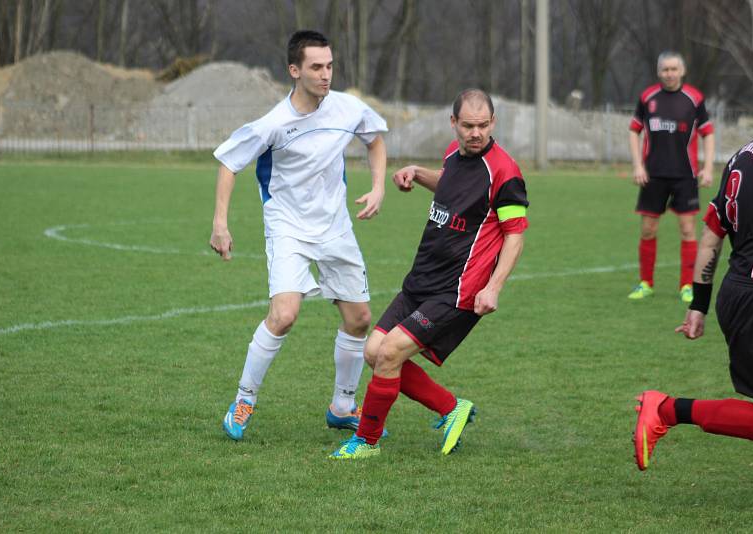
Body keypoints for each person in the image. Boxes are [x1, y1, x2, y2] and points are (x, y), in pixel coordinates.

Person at [329, 89, 529, 459]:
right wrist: (417, 173)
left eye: (483, 125)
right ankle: (452, 408)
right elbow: (451, 183)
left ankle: (366, 442)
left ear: (493, 123)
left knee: (389, 353)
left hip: (457, 291)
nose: (475, 133)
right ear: (453, 123)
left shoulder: (505, 172)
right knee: (374, 352)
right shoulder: (454, 155)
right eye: (468, 125)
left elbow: (514, 236)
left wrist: (494, 288)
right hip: (422, 279)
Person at [209, 30, 388, 441]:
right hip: (288, 226)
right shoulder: (274, 123)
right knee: (284, 314)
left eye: (329, 66)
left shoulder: (346, 108)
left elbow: (375, 141)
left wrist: (378, 187)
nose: (326, 75)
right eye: (316, 67)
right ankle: (243, 400)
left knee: (359, 319)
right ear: (295, 70)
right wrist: (221, 223)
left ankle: (342, 407)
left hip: (335, 226)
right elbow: (228, 163)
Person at [633, 138, 753, 471]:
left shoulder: (741, 157)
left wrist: (699, 304)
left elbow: (712, 236)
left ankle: (667, 410)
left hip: (735, 295)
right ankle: (666, 410)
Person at [628, 51, 715, 303]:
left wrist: (708, 168)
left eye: (674, 69)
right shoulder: (647, 97)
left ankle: (687, 285)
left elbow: (708, 133)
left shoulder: (694, 99)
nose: (669, 74)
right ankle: (646, 283)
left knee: (688, 230)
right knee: (647, 230)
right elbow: (633, 131)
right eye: (665, 69)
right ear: (658, 72)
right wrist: (637, 165)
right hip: (652, 175)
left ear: (682, 71)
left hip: (685, 176)